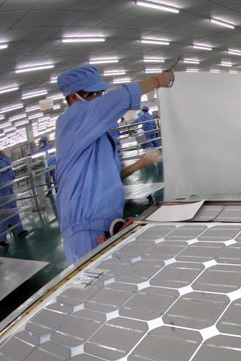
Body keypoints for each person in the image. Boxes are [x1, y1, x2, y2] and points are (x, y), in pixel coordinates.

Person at [54, 65, 174, 264]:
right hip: (85, 231)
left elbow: (110, 177)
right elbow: (118, 97)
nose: (101, 99)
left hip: (104, 223)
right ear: (74, 97)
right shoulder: (71, 121)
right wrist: (158, 80)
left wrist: (140, 164)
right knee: (92, 287)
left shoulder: (93, 134)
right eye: (95, 95)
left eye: (102, 93)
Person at [0, 142, 27, 247]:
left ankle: (19, 230)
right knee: (7, 214)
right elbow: (7, 167)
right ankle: (1, 238)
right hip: (3, 191)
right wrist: (5, 156)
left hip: (6, 189)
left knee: (13, 210)